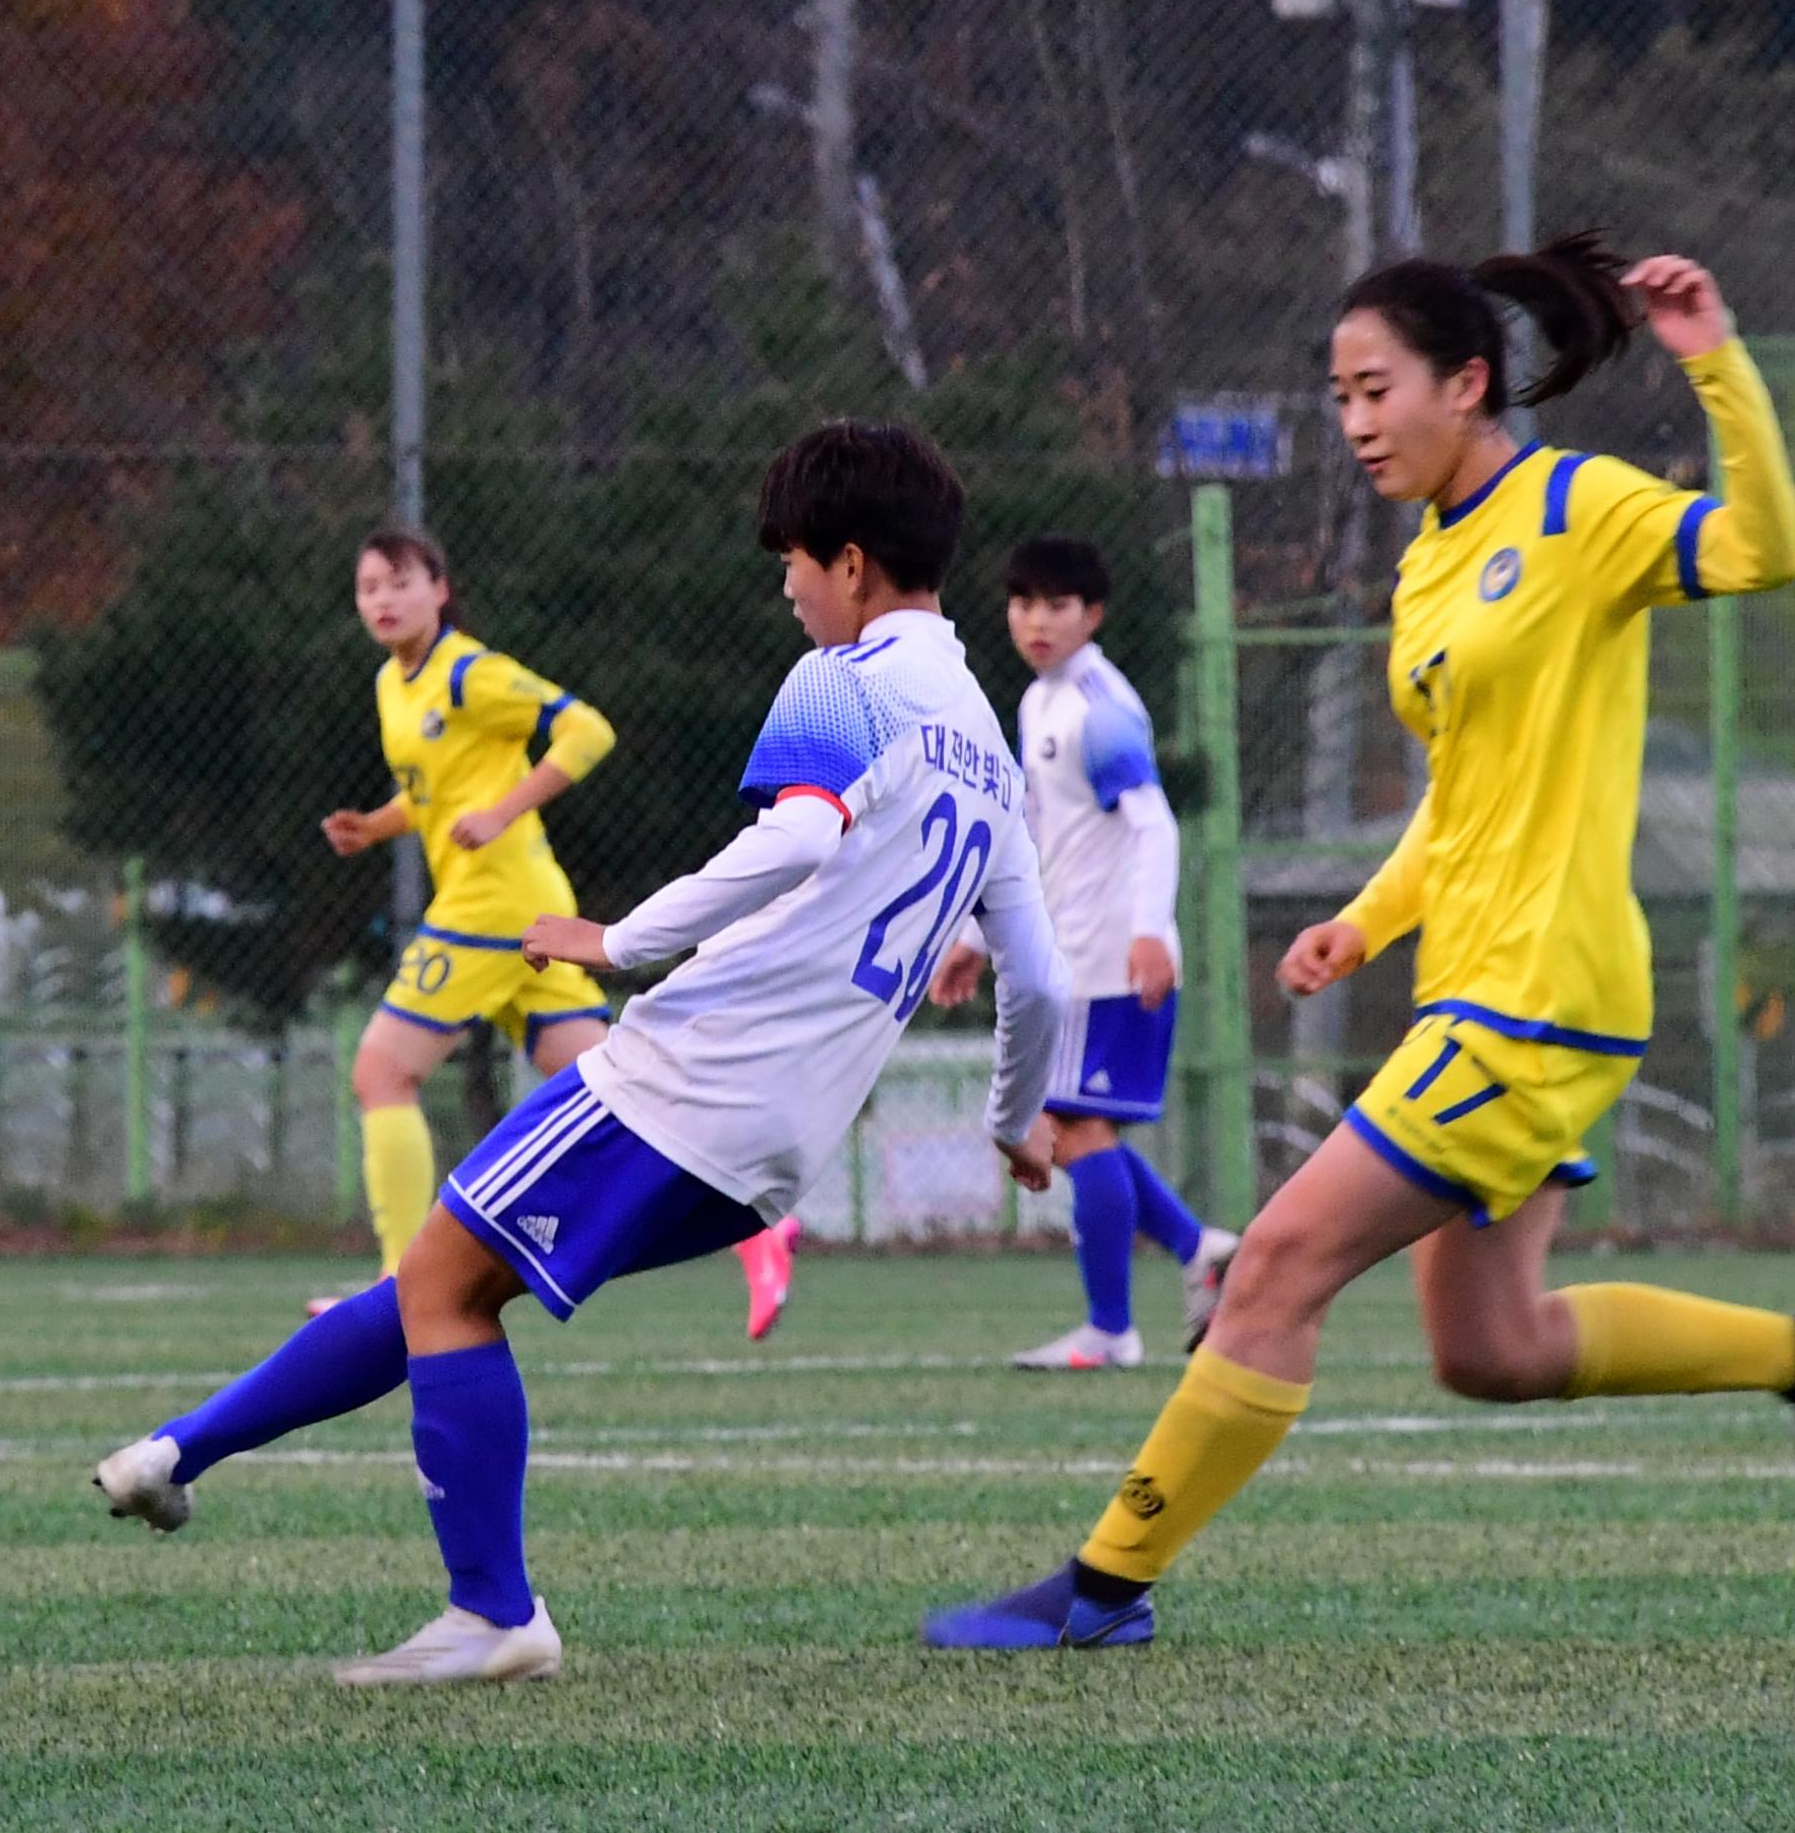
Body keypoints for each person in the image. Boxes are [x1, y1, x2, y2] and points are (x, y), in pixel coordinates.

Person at [924, 238, 1795, 1656]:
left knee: (1272, 1271)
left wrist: (1715, 363)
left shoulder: (1576, 507)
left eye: (1379, 388)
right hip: (1471, 984)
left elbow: (1765, 549)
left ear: (1470, 381)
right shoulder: (1432, 564)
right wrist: (1365, 921)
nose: (1358, 420)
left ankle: (1101, 1590)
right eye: (1339, 396)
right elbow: (1462, 799)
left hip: (1539, 997)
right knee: (1492, 1353)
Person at [94, 422, 1077, 1685]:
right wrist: (1013, 1121)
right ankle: (183, 1451)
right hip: (776, 1143)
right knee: (450, 1280)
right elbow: (1038, 978)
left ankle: (494, 1613)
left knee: (441, 1279)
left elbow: (795, 842)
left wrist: (617, 941)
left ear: (849, 559)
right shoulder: (985, 746)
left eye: (790, 559)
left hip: (683, 1078)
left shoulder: (848, 676)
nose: (784, 585)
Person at [315, 525, 804, 1339]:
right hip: (524, 909)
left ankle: (397, 1284)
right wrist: (376, 826)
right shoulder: (392, 685)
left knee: (380, 1075)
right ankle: (758, 1229)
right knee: (624, 1093)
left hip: (491, 906)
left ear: (440, 588)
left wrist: (507, 810)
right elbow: (441, 792)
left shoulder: (473, 672)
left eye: (400, 582)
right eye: (369, 587)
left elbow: (588, 729)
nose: (383, 600)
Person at [926, 535, 1236, 1370]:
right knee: (1077, 1129)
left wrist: (1148, 929)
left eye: (1057, 605)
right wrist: (972, 938)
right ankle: (1199, 1249)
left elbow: (1154, 823)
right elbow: (1032, 834)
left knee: (1069, 1128)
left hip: (1107, 961)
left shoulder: (1099, 709)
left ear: (1091, 615)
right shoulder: (1040, 703)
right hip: (1076, 956)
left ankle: (1111, 1327)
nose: (1036, 620)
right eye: (1023, 603)